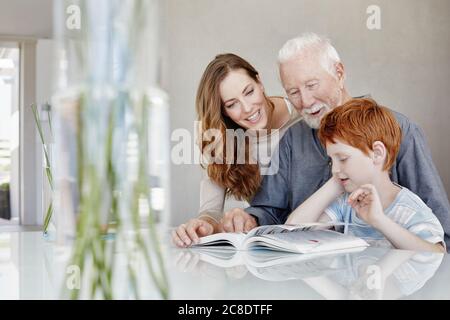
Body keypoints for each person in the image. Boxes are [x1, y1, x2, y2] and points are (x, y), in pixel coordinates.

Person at [221, 33, 450, 250]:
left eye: (311, 85)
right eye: (294, 92)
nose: (306, 101)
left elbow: (440, 233)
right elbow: (271, 212)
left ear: (339, 73)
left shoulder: (401, 131)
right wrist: (249, 217)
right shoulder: (291, 139)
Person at [172, 53, 301, 247]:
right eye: (232, 104)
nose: (248, 108)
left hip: (316, 236)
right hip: (267, 248)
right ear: (223, 113)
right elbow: (210, 211)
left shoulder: (303, 115)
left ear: (259, 82)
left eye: (249, 92)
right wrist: (204, 224)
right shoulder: (225, 142)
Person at [286, 98, 445, 253]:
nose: (334, 168)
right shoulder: (347, 203)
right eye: (331, 160)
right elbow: (294, 230)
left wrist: (379, 221)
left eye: (342, 158)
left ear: (377, 153)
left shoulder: (408, 209)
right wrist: (336, 181)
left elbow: (438, 255)